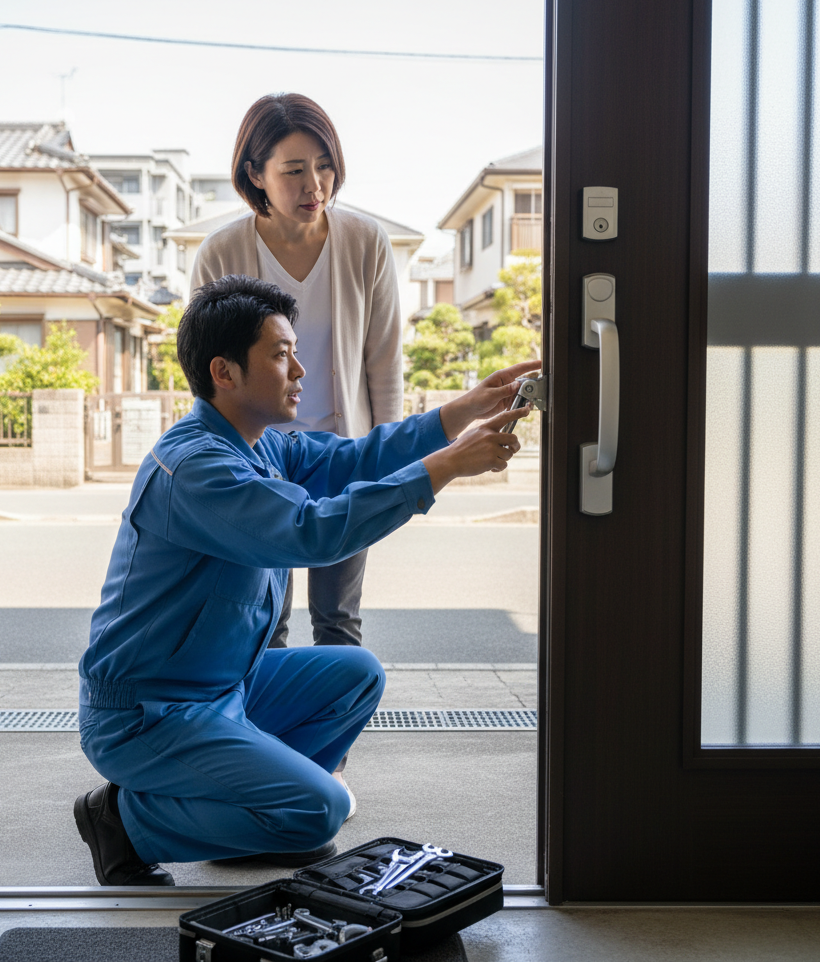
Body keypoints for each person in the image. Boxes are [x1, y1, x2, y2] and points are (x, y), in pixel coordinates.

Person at [73, 275, 535, 885]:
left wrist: (464, 410)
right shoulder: (196, 468)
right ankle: (124, 823)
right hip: (149, 712)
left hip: (223, 690)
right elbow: (310, 532)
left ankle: (243, 818)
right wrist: (447, 465)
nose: (300, 370)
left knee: (356, 672)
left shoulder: (259, 446)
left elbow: (355, 458)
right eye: (280, 353)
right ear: (225, 372)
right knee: (324, 810)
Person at [191, 94, 400, 655]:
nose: (316, 185)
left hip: (342, 458)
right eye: (294, 170)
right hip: (258, 468)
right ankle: (268, 746)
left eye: (325, 165)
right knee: (265, 628)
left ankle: (329, 746)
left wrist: (386, 456)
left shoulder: (364, 242)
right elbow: (208, 376)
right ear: (255, 173)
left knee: (339, 624)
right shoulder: (221, 252)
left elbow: (382, 358)